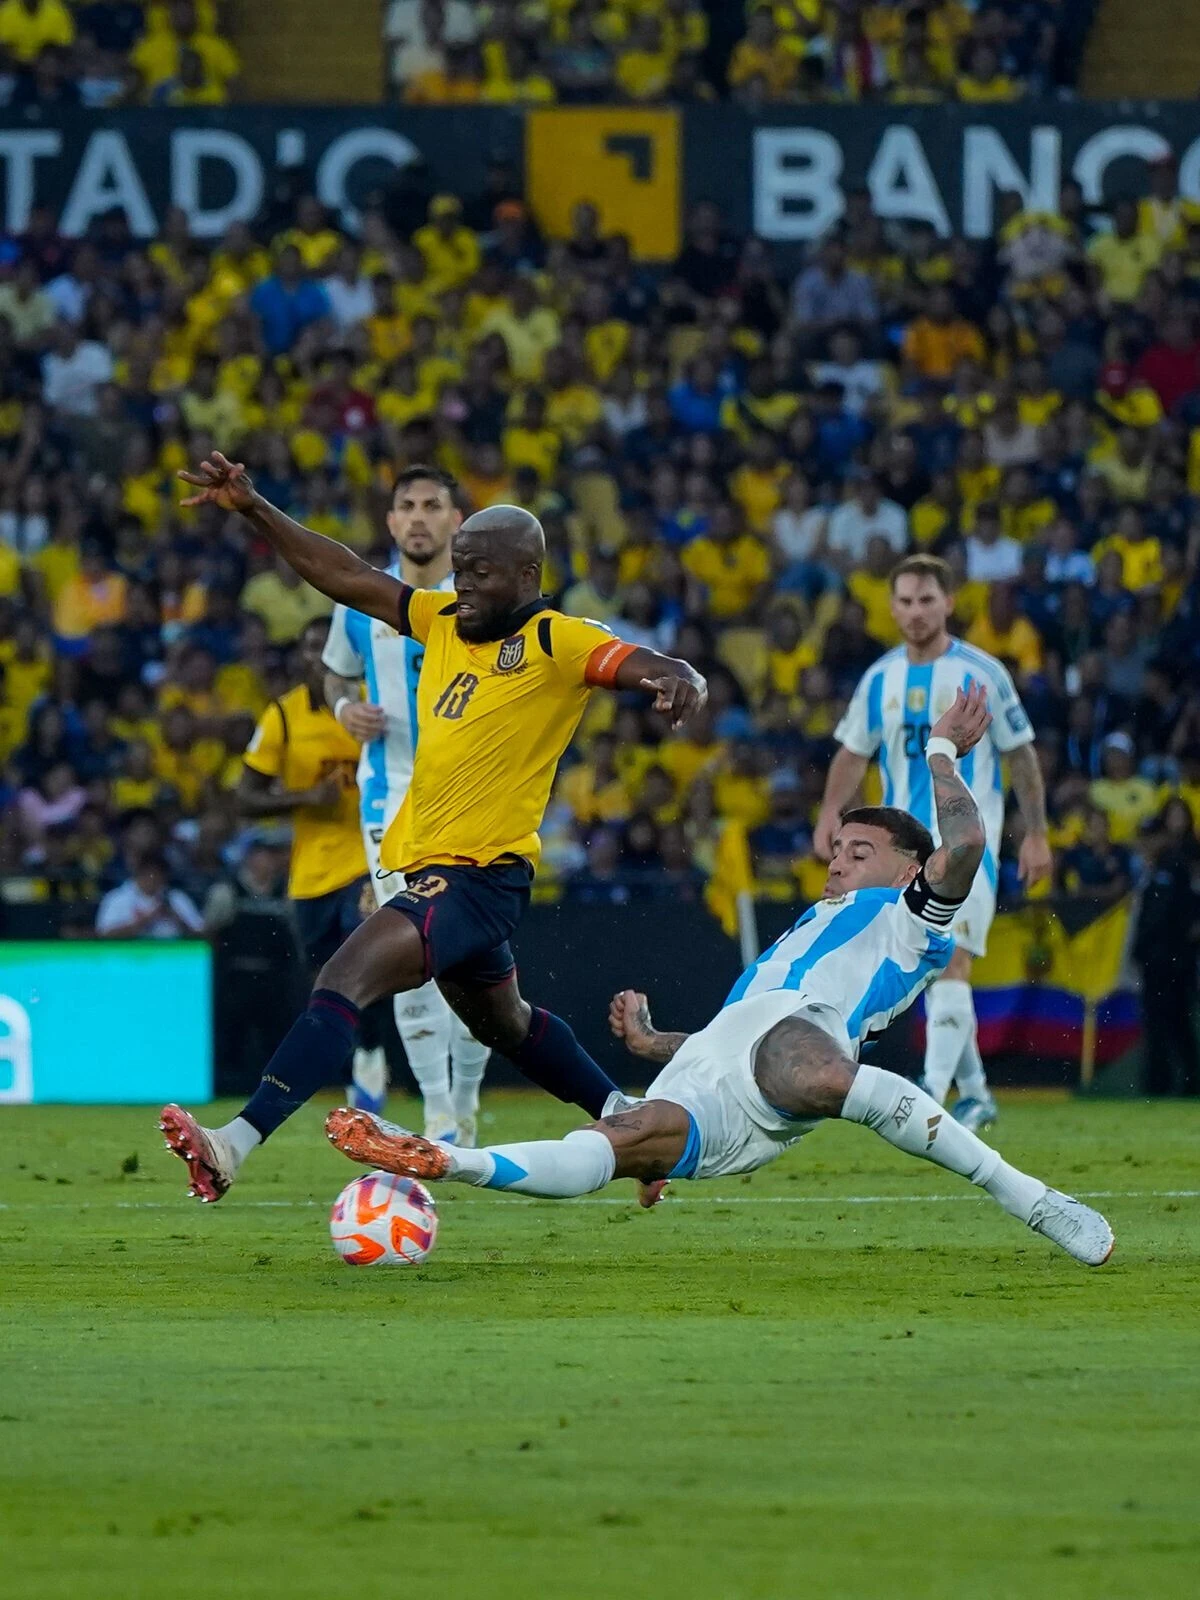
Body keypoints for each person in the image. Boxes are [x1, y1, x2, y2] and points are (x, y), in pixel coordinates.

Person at [326, 686, 1114, 1269]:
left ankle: (1032, 1200)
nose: (839, 861)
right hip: (717, 1073)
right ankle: (443, 1159)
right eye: (837, 850)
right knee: (611, 1144)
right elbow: (734, 1031)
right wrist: (658, 1041)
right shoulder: (812, 924)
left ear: (909, 866)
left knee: (803, 1057)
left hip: (799, 1047)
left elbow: (969, 843)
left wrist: (937, 751)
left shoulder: (912, 915)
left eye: (859, 852)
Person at [160, 451, 707, 1202]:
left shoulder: (556, 639)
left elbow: (640, 659)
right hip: (440, 871)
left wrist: (679, 676)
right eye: (460, 568)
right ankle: (632, 1123)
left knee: (342, 979)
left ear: (526, 575)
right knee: (506, 1025)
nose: (463, 584)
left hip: (478, 875)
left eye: (479, 571)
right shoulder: (443, 623)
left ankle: (233, 1143)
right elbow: (347, 575)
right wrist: (255, 508)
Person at [813, 555, 1053, 1132]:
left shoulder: (983, 673)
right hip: (901, 852)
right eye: (905, 601)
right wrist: (828, 812)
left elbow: (1020, 753)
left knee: (952, 964)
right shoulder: (880, 679)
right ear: (891, 606)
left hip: (970, 844)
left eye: (927, 600)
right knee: (930, 966)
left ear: (948, 602)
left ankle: (933, 1098)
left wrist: (1038, 832)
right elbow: (852, 751)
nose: (916, 612)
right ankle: (974, 1092)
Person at [321, 465, 491, 1144]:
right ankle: (438, 1116)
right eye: (407, 507)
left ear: (456, 521)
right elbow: (335, 667)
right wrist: (343, 707)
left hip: (475, 799)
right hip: (389, 801)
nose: (419, 517)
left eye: (433, 506)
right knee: (411, 956)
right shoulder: (361, 598)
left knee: (480, 960)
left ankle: (470, 1103)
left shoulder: (485, 597)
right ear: (391, 523)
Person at [238, 614, 384, 1113]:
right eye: (307, 649)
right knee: (323, 981)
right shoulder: (283, 716)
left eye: (326, 650)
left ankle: (371, 1064)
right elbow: (244, 797)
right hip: (310, 874)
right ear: (299, 660)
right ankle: (347, 1072)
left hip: (367, 861)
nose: (315, 659)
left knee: (364, 963)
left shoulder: (370, 707)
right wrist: (305, 797)